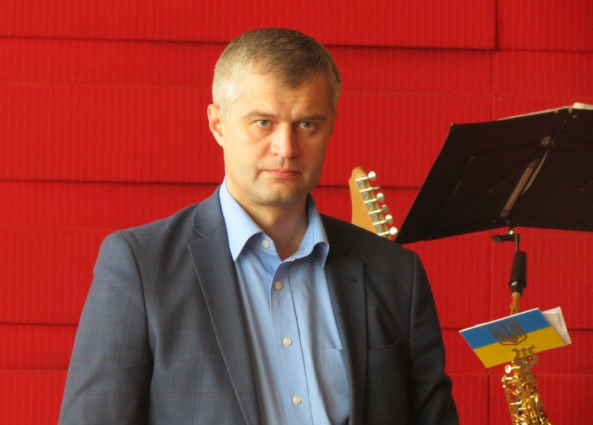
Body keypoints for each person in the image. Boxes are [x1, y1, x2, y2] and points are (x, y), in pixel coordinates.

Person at [58, 28, 459, 425]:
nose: (286, 148)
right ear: (218, 124)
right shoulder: (141, 266)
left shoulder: (396, 273)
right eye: (264, 122)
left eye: (307, 124)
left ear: (331, 126)